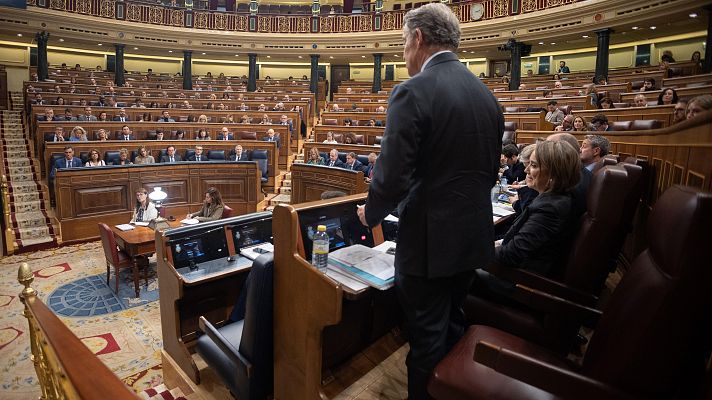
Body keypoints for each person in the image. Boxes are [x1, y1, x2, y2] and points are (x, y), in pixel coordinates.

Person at [355, 5, 502, 399]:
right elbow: (488, 173)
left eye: (403, 43)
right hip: (472, 238)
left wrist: (370, 214)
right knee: (452, 324)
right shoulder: (486, 96)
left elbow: (391, 176)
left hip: (428, 245)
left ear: (418, 38)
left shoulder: (413, 90)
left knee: (426, 340)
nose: (403, 54)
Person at [472, 140, 581, 302]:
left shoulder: (550, 208)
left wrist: (470, 253)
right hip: (516, 274)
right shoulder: (553, 199)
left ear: (554, 173)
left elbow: (511, 255)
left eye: (534, 166)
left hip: (518, 285)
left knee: (449, 269)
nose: (526, 170)